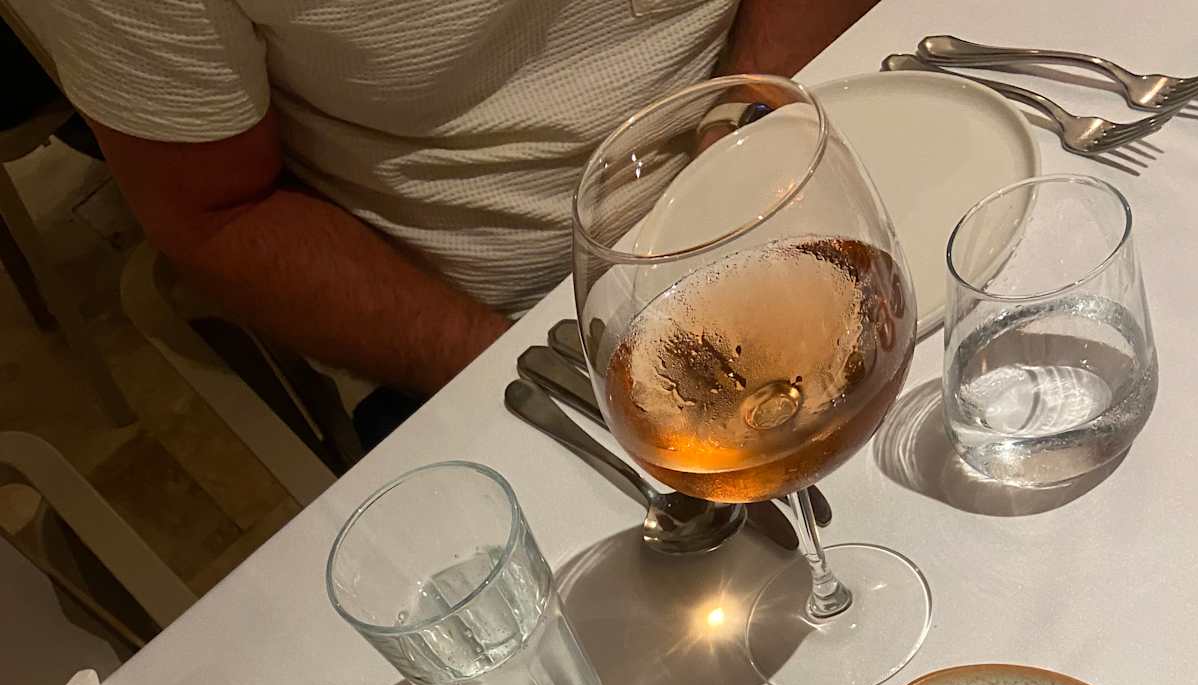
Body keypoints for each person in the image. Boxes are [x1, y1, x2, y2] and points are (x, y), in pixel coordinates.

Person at [35, 0, 873, 409]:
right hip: (525, 327)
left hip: (800, 114)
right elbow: (217, 213)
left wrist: (742, 128)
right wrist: (537, 374)